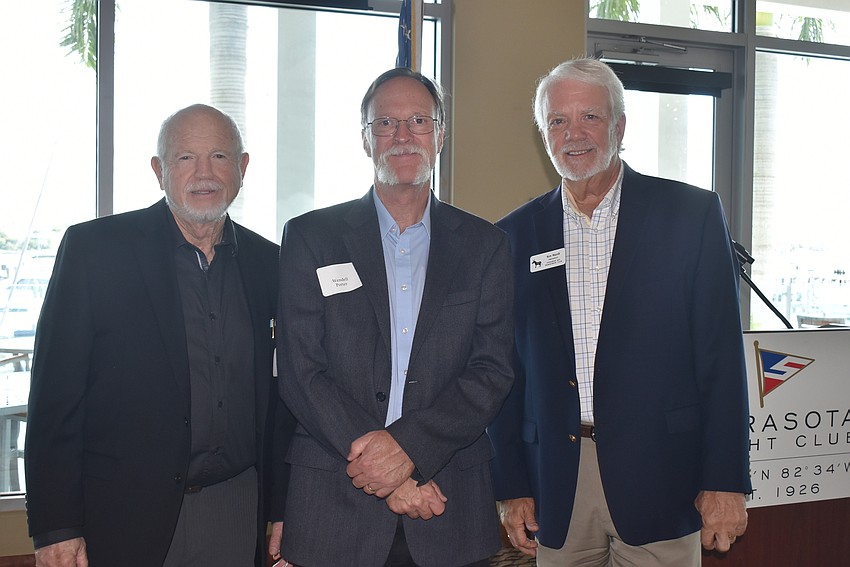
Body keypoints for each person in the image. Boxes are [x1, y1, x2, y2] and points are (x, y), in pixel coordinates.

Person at [488, 58, 751, 566]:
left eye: (590, 117)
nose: (574, 134)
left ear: (620, 126)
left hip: (662, 474)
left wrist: (724, 480)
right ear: (544, 134)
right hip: (557, 481)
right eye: (558, 121)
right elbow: (505, 372)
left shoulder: (690, 215)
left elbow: (720, 360)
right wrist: (512, 484)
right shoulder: (512, 236)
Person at [25, 104, 293, 567]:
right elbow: (54, 398)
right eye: (186, 158)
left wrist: (283, 508)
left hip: (234, 505)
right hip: (121, 513)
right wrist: (57, 526)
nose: (204, 173)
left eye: (220, 157)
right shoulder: (95, 251)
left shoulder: (271, 264)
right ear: (159, 170)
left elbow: (285, 397)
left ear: (243, 168)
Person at [268, 67, 515, 567]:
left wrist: (409, 452)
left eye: (418, 121)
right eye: (385, 124)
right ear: (366, 140)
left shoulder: (486, 245)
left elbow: (491, 372)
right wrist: (387, 470)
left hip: (448, 504)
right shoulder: (311, 237)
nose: (403, 136)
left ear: (440, 134)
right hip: (333, 504)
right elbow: (301, 371)